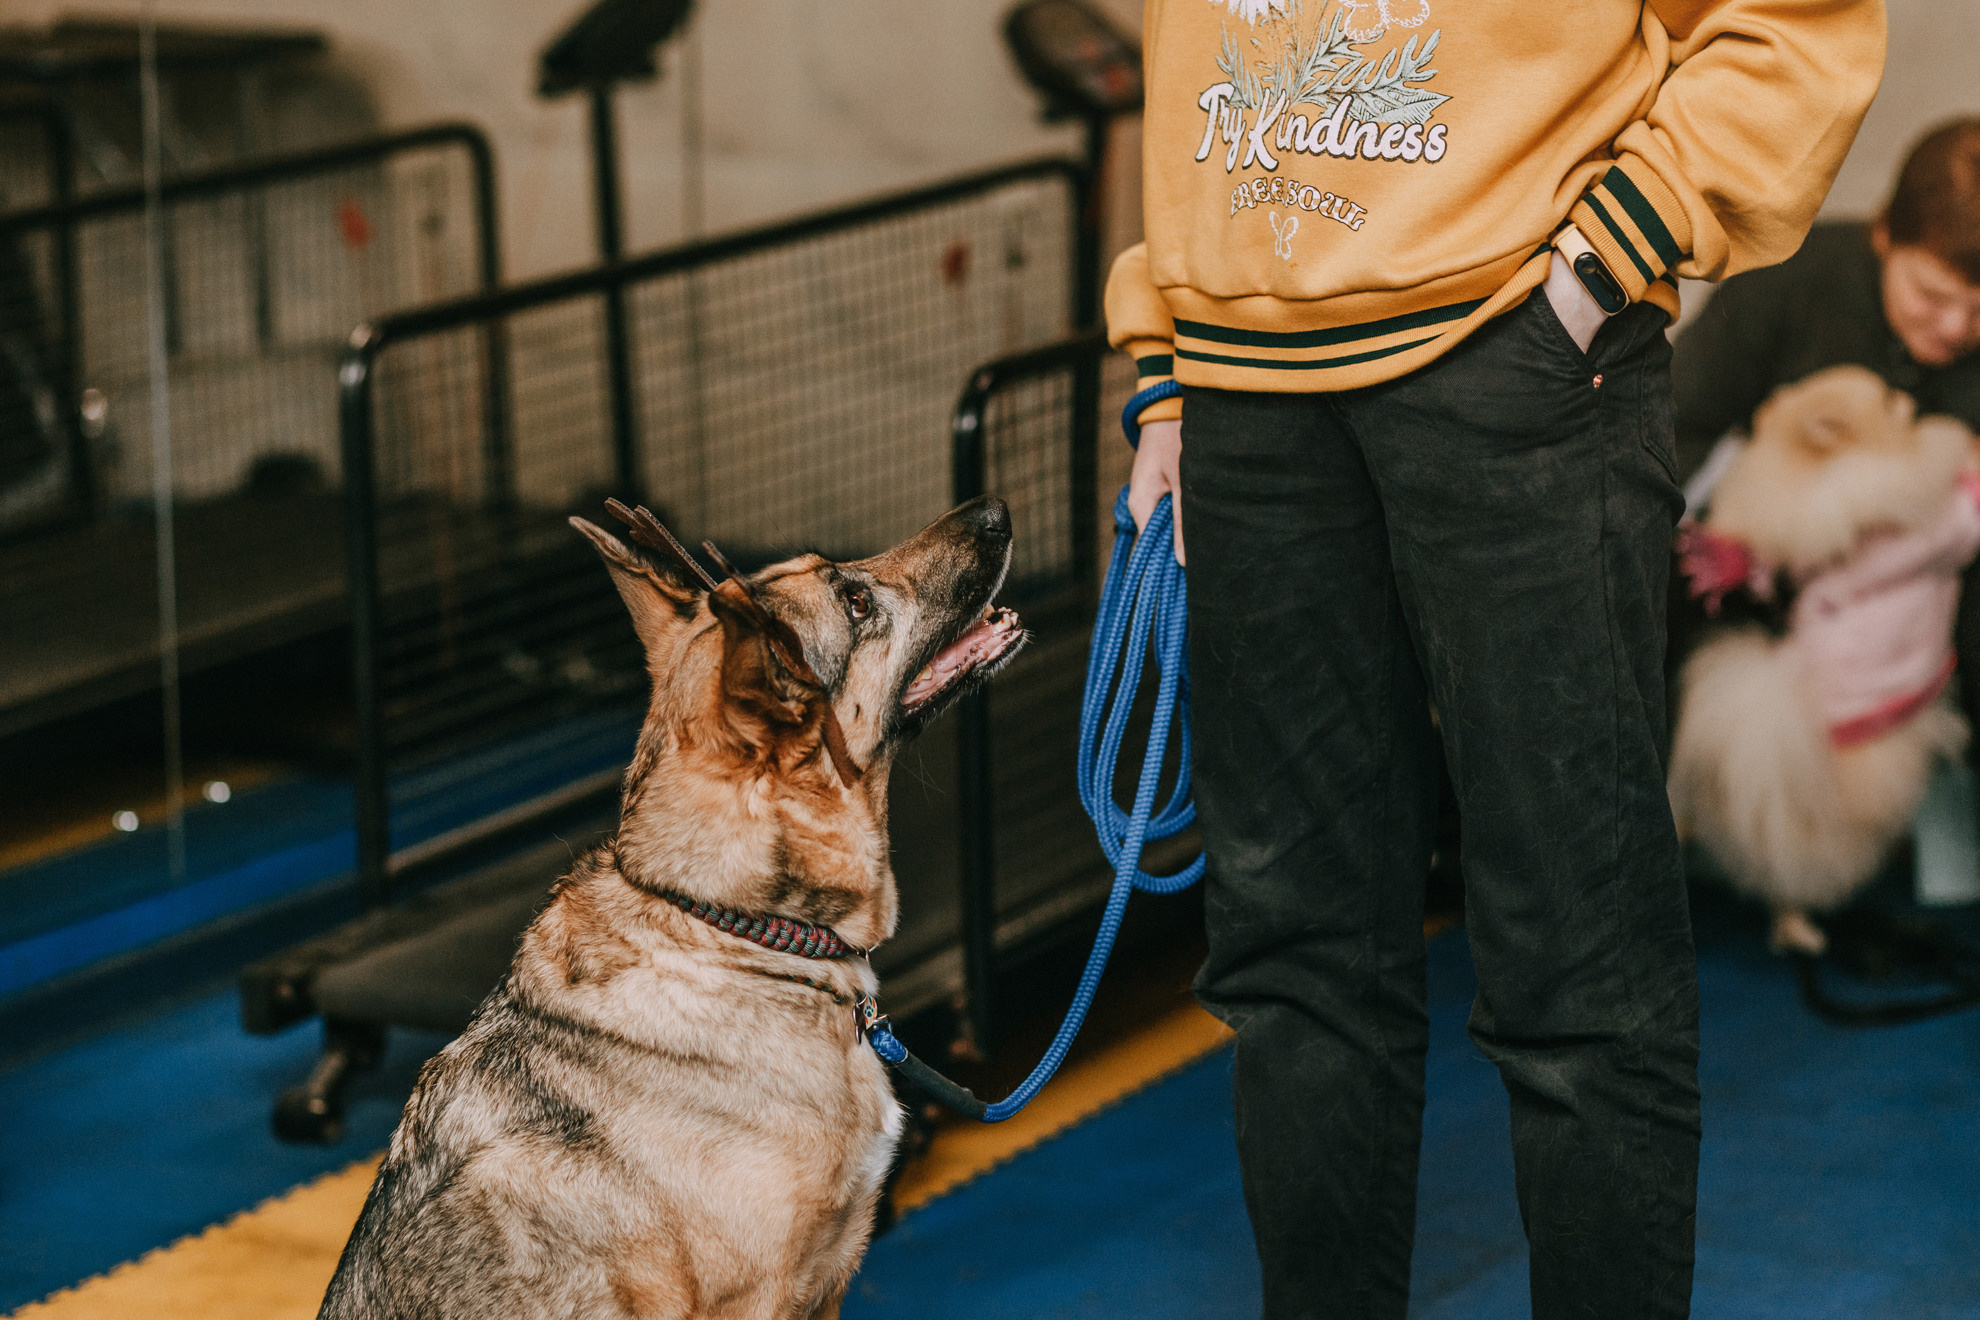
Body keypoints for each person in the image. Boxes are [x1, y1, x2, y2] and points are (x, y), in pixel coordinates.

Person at [1103, 1, 1886, 1317]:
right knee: (1291, 961)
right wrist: (1171, 361)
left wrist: (1597, 268)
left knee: (1577, 964)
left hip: (1512, 351)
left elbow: (1793, 25)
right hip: (1248, 390)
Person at [1671, 119, 1980, 831]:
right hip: (1749, 578)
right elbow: (1675, 427)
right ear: (1884, 237)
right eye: (1932, 297)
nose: (1956, 328)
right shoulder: (1791, 283)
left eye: (1978, 309)